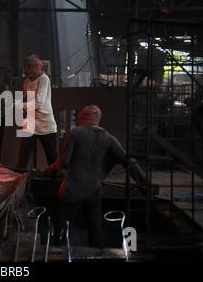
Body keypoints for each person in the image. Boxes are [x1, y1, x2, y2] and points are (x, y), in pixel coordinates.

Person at [41, 105, 145, 248]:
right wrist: (144, 183)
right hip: (94, 191)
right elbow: (129, 161)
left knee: (63, 226)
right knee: (95, 228)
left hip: (72, 190)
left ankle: (57, 250)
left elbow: (63, 162)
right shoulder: (108, 137)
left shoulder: (75, 133)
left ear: (82, 117)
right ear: (98, 119)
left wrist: (49, 169)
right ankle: (97, 252)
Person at [17, 54, 57, 170]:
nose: (26, 71)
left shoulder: (44, 79)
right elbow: (25, 98)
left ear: (35, 67)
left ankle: (55, 181)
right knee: (22, 159)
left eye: (28, 68)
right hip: (30, 121)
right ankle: (21, 180)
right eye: (25, 68)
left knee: (52, 158)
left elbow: (38, 102)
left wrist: (19, 106)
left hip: (45, 123)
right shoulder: (26, 82)